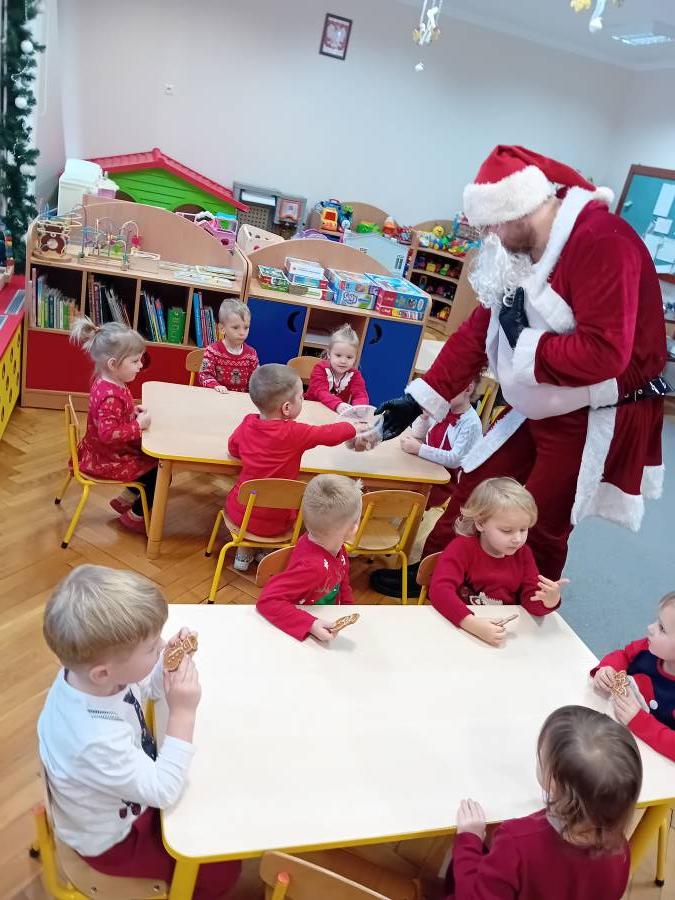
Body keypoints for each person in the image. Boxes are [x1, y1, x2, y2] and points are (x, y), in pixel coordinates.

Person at [373, 145, 668, 599]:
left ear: (517, 209)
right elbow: (476, 332)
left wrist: (525, 342)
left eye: (491, 224)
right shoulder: (524, 250)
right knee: (477, 485)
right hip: (541, 401)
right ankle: (435, 574)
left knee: (542, 519)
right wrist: (419, 398)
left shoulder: (603, 243)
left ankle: (525, 601)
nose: (488, 235)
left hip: (593, 409)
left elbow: (606, 353)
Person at [37, 565, 240, 898]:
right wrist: (183, 712)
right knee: (221, 869)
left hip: (124, 795)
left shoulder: (93, 680)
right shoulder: (93, 739)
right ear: (103, 673)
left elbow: (147, 687)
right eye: (151, 648)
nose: (162, 646)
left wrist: (167, 663)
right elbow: (163, 791)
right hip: (112, 842)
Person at [447, 705, 641, 899]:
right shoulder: (620, 851)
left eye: (540, 757)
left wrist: (468, 840)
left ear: (554, 781)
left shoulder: (515, 842)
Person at [226, 364, 359, 571]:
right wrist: (353, 427)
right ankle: (267, 553)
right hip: (279, 521)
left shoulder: (248, 423)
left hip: (241, 513)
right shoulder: (295, 433)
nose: (303, 400)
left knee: (253, 506)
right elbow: (329, 434)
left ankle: (243, 553)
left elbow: (233, 448)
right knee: (280, 509)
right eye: (301, 397)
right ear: (286, 408)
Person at [429, 478, 565, 646]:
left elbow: (531, 602)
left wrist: (549, 600)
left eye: (523, 529)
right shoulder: (461, 549)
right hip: (458, 629)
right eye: (507, 530)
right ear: (480, 523)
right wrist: (471, 623)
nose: (517, 539)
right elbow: (439, 590)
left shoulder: (523, 554)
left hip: (498, 632)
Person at [70, 317, 156, 534]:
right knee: (159, 472)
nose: (141, 365)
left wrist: (130, 413)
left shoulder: (108, 381)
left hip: (100, 451)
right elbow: (108, 434)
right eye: (135, 361)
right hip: (107, 459)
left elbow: (110, 418)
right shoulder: (111, 396)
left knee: (153, 461)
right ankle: (135, 516)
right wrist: (137, 426)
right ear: (113, 364)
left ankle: (125, 499)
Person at [256, 474, 362, 641]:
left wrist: (347, 609)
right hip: (303, 634)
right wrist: (311, 624)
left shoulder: (337, 547)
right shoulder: (312, 567)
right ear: (353, 528)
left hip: (327, 622)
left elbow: (342, 581)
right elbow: (267, 600)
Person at [592, 590, 675, 761]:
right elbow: (624, 655)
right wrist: (607, 669)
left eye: (662, 628)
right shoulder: (648, 649)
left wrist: (639, 721)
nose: (650, 628)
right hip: (612, 733)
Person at [400, 380, 482, 507]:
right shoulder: (443, 408)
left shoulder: (471, 423)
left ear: (468, 389)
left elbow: (454, 459)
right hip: (425, 471)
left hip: (445, 485)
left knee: (403, 493)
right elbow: (418, 434)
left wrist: (419, 449)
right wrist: (424, 417)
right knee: (396, 479)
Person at [198, 298, 258, 393]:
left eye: (246, 327)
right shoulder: (212, 351)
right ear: (222, 328)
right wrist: (216, 386)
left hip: (240, 399)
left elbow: (255, 382)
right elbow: (204, 375)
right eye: (236, 327)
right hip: (217, 396)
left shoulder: (251, 354)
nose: (242, 332)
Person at [305, 323, 369, 413]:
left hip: (334, 414)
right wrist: (338, 405)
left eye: (349, 357)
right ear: (329, 354)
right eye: (338, 355)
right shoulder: (320, 369)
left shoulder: (354, 375)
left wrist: (360, 408)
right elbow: (320, 392)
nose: (343, 361)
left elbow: (360, 394)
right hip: (311, 410)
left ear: (355, 357)